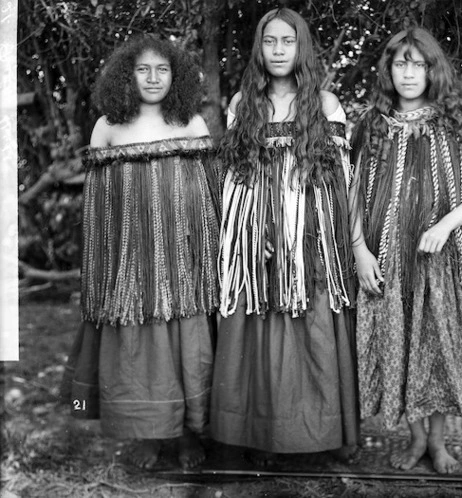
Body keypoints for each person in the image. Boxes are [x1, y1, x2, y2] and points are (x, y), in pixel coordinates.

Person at [61, 35, 220, 469]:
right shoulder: (108, 125)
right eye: (143, 69)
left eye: (162, 70)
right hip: (131, 265)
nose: (153, 78)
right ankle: (148, 437)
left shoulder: (190, 123)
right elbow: (97, 208)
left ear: (177, 76)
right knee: (137, 354)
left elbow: (210, 198)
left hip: (182, 263)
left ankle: (189, 436)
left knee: (190, 350)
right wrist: (107, 266)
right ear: (126, 75)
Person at [210, 7, 358, 464]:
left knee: (312, 333)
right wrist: (253, 234)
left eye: (287, 41)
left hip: (311, 242)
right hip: (258, 243)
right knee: (257, 334)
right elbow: (237, 179)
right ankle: (261, 438)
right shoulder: (242, 104)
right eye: (270, 41)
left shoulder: (326, 105)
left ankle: (319, 437)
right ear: (260, 47)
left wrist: (307, 233)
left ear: (301, 48)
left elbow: (338, 180)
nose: (278, 50)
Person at [349, 27, 462, 474]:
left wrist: (449, 224)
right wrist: (359, 250)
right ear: (388, 70)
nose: (409, 73)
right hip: (388, 260)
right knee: (400, 344)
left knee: (438, 346)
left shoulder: (456, 122)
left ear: (433, 70)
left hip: (440, 262)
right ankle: (414, 441)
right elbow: (351, 192)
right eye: (400, 63)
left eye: (418, 63)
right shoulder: (372, 124)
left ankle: (439, 443)